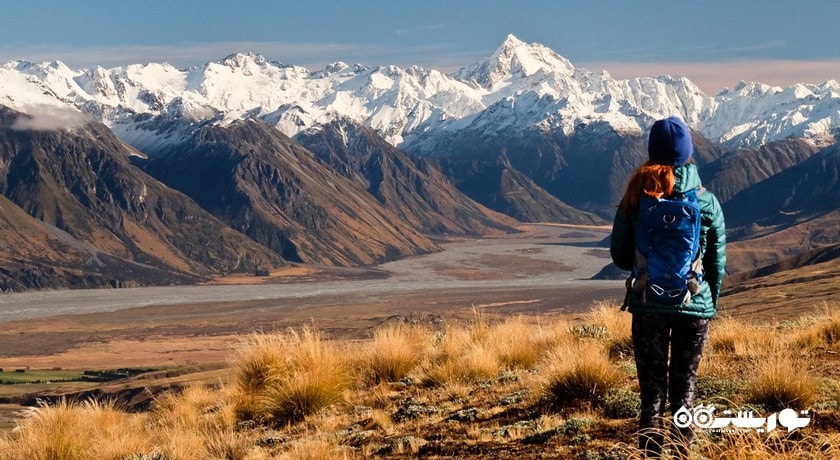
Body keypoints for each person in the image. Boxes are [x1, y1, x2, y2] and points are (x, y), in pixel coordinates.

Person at [610, 116, 726, 458]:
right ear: (688, 153)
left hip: (647, 305)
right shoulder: (706, 202)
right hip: (694, 308)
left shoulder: (635, 197)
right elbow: (718, 262)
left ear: (651, 152)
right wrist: (708, 303)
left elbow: (618, 255)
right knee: (684, 393)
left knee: (652, 398)